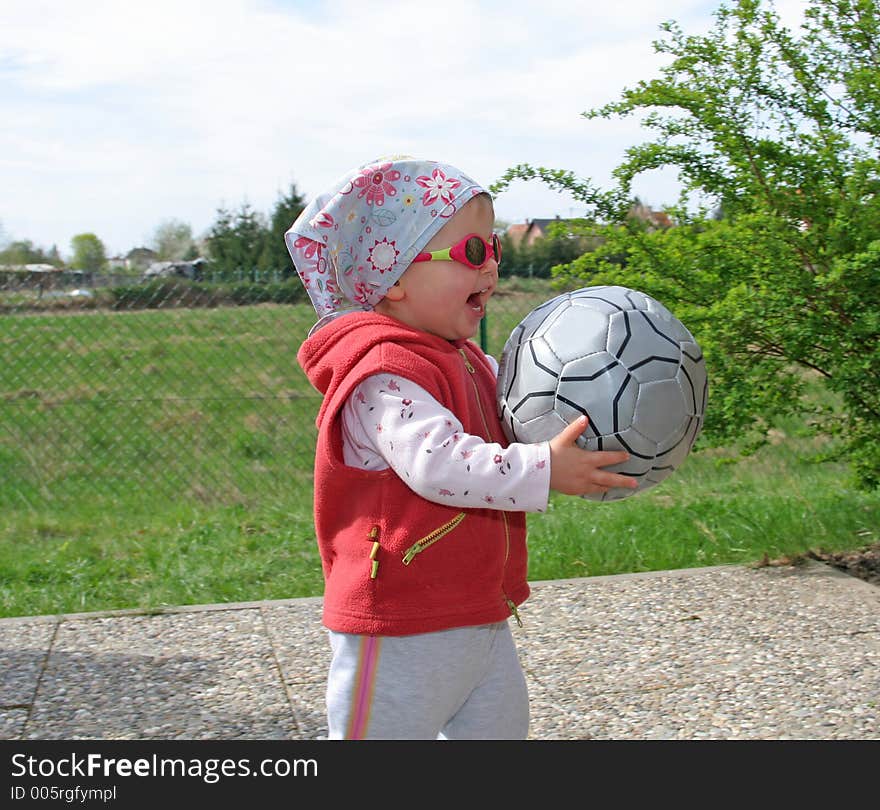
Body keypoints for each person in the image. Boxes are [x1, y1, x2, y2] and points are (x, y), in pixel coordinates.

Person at [286, 156, 637, 740]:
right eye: (473, 253)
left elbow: (524, 409)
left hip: (476, 612)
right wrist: (545, 468)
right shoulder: (383, 374)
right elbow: (439, 464)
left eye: (494, 248)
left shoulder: (466, 358)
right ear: (393, 276)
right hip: (397, 622)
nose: (492, 266)